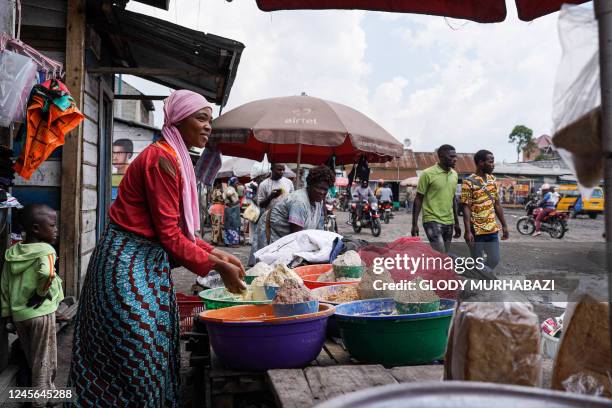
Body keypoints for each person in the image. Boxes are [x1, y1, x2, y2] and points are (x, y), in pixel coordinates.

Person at [69, 90, 246, 407]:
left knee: (153, 346)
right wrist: (218, 266)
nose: (208, 127)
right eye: (201, 119)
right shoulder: (160, 160)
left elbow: (179, 229)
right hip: (125, 267)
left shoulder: (175, 158)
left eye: (210, 120)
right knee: (136, 350)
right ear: (179, 120)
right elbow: (169, 235)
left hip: (145, 265)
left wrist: (219, 254)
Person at [1, 204, 62, 408]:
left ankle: (50, 394)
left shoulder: (12, 253)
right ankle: (40, 400)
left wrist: (8, 314)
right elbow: (48, 274)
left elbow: (5, 286)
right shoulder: (46, 250)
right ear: (36, 228)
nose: (56, 230)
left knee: (32, 356)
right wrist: (40, 293)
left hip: (20, 316)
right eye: (52, 225)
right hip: (41, 313)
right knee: (45, 358)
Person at [461, 150, 509, 270]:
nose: (493, 164)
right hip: (476, 230)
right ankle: (478, 281)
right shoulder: (468, 182)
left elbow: (497, 204)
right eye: (491, 162)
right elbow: (465, 207)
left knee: (494, 259)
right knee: (477, 262)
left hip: (492, 230)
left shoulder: (493, 180)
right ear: (481, 163)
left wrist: (504, 225)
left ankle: (481, 275)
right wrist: (467, 231)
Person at [411, 144, 461, 253]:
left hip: (449, 221)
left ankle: (434, 269)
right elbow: (418, 199)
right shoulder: (427, 174)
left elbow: (453, 199)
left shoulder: (454, 175)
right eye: (451, 157)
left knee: (443, 255)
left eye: (455, 156)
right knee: (441, 253)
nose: (455, 159)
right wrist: (414, 224)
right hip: (431, 220)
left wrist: (457, 223)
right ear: (441, 157)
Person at [267, 165, 336, 244]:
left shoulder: (318, 201)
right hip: (278, 236)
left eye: (325, 189)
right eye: (318, 187)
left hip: (296, 239)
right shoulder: (299, 202)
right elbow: (296, 238)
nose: (322, 192)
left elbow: (317, 230)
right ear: (309, 185)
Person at [223, 177, 241, 246]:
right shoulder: (231, 189)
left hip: (229, 209)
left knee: (229, 226)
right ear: (233, 183)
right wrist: (234, 202)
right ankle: (233, 243)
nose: (237, 185)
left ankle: (228, 241)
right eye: (236, 183)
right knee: (233, 226)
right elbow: (228, 194)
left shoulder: (227, 188)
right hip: (232, 210)